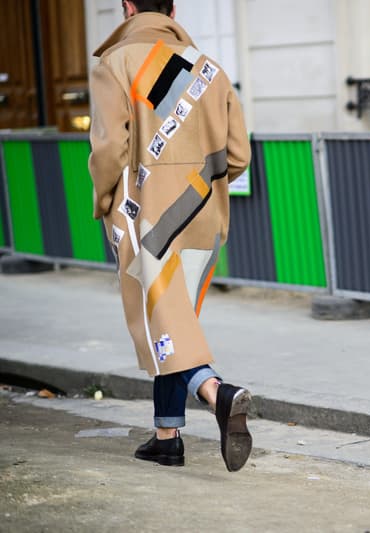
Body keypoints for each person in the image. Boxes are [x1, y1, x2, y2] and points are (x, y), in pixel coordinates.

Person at [88, 0, 253, 471]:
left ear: (127, 7)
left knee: (160, 320)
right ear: (173, 9)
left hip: (146, 217)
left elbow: (110, 150)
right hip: (200, 213)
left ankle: (216, 392)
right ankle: (166, 437)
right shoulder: (208, 68)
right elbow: (238, 156)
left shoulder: (115, 64)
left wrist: (104, 200)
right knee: (173, 320)